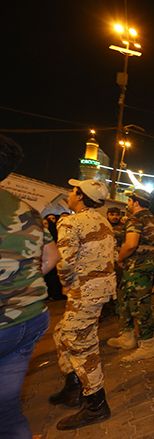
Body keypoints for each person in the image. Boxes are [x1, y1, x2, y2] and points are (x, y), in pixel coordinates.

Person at [0, 134, 60, 439]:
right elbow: (52, 256)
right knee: (8, 411)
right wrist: (20, 284)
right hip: (29, 317)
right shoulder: (26, 208)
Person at [52, 179, 115, 429]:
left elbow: (66, 260)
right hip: (100, 289)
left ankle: (96, 404)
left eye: (72, 190)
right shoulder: (103, 221)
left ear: (80, 196)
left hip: (84, 290)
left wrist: (65, 283)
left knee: (80, 342)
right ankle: (73, 387)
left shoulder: (71, 222)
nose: (69, 194)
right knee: (61, 333)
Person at [108, 189, 154, 362]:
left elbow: (131, 244)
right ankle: (127, 337)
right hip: (148, 262)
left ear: (136, 202)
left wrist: (120, 258)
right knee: (123, 297)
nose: (128, 203)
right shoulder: (153, 219)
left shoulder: (135, 218)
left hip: (139, 264)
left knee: (140, 303)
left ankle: (147, 346)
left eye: (129, 200)